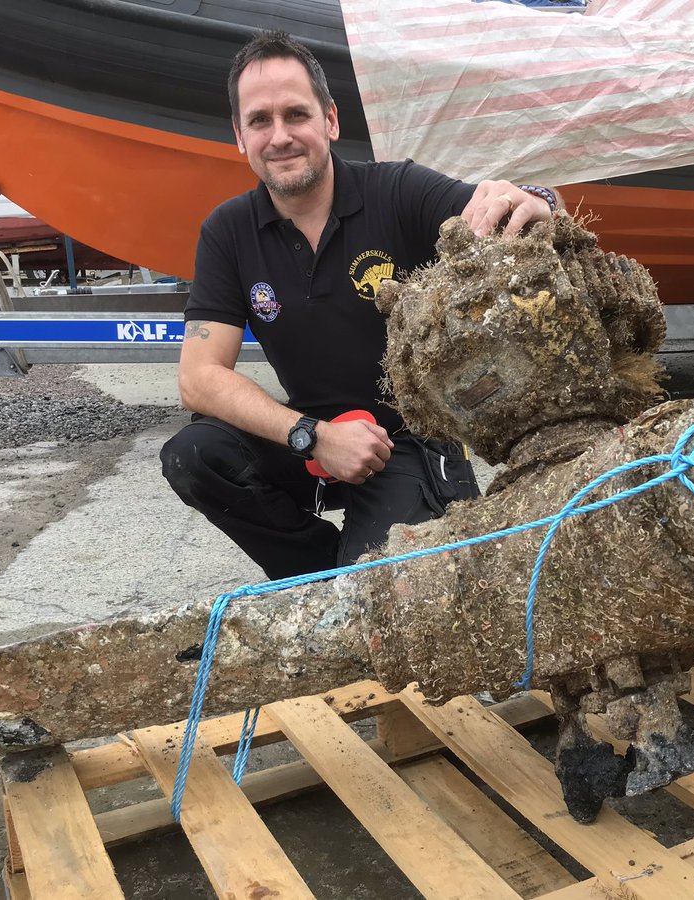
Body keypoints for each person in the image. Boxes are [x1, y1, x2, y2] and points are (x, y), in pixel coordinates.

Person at [160, 30, 561, 580]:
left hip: (408, 442)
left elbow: (500, 211)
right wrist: (314, 435)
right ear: (239, 135)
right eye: (260, 121)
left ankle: (353, 580)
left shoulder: (398, 191)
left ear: (330, 121)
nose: (279, 137)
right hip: (313, 438)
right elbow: (198, 378)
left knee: (385, 595)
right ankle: (320, 575)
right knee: (194, 456)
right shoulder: (228, 231)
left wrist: (535, 200)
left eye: (296, 115)